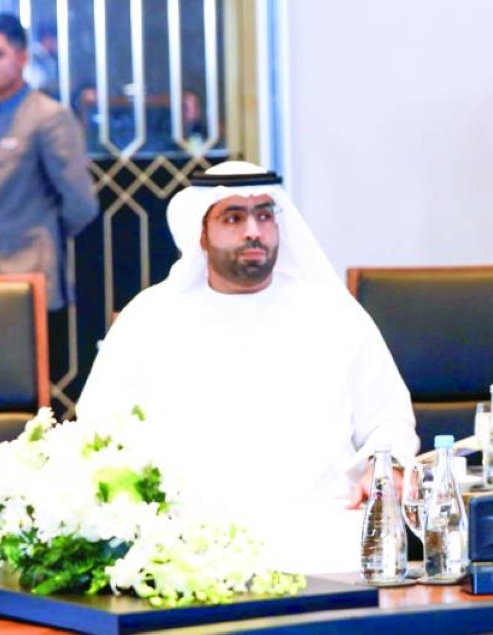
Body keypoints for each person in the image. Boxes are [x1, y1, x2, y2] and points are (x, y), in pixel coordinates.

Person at [77, 161, 418, 574]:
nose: (253, 230)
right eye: (233, 218)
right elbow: (98, 430)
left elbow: (388, 417)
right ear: (201, 233)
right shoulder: (149, 318)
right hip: (188, 546)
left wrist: (388, 467)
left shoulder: (333, 313)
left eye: (264, 215)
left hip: (322, 534)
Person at [0, 13, 98, 311]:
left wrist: (42, 234)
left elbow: (81, 204)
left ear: (21, 58)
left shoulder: (49, 117)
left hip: (30, 275)